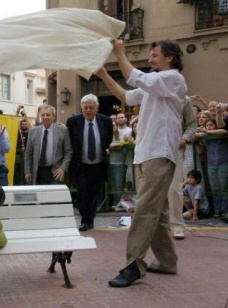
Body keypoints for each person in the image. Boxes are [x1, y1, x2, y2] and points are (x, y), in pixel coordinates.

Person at [96, 39, 187, 288]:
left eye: (154, 55)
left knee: (144, 211)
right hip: (147, 154)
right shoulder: (156, 84)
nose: (150, 59)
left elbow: (134, 76)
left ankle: (134, 264)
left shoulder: (172, 79)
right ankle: (167, 261)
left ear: (169, 58)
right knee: (156, 213)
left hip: (158, 154)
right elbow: (126, 95)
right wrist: (103, 73)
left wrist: (120, 53)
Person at [66, 94, 113, 231]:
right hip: (81, 165)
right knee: (82, 194)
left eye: (91, 108)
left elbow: (108, 138)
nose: (88, 111)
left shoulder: (106, 121)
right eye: (85, 108)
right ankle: (86, 220)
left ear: (97, 108)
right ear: (81, 108)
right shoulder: (73, 121)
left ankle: (90, 216)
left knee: (95, 193)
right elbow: (69, 140)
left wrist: (107, 148)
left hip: (99, 164)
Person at [167, 96, 197, 240]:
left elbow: (191, 124)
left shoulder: (184, 100)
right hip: (153, 149)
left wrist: (184, 139)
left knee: (174, 188)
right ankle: (159, 224)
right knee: (153, 190)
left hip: (175, 148)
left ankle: (177, 225)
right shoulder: (152, 95)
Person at [24, 105, 72, 185]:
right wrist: (27, 171)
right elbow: (28, 153)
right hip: (38, 171)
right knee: (40, 196)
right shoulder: (33, 132)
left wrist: (63, 168)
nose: (45, 117)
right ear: (40, 116)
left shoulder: (63, 130)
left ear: (53, 116)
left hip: (55, 171)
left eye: (48, 115)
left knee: (54, 196)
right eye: (43, 115)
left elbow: (68, 152)